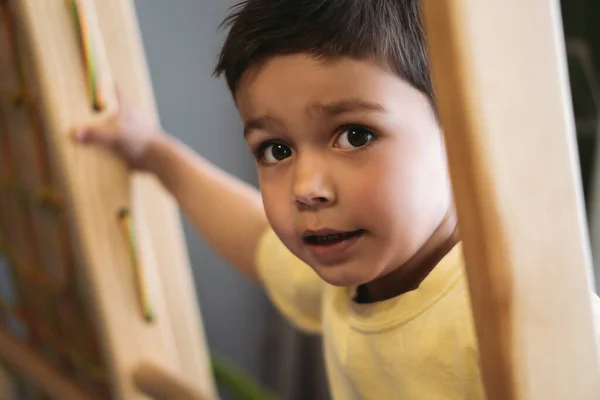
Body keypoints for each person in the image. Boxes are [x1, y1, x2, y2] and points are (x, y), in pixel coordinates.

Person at [72, 0, 600, 399]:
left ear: (460, 133)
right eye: (276, 149)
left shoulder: (510, 314)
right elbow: (254, 236)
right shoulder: (350, 275)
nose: (306, 187)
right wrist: (155, 153)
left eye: (354, 136)